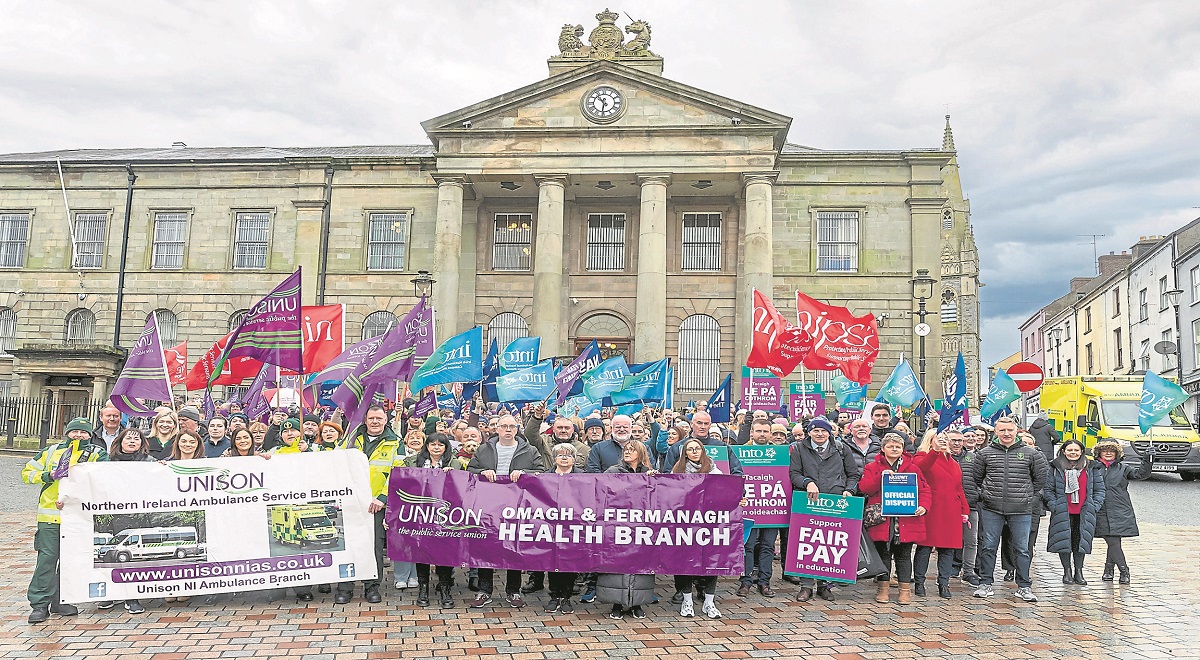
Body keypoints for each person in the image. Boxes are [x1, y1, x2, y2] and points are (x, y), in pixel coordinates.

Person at [22, 417, 107, 623]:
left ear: (90, 434)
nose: (79, 435)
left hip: (79, 517)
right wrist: (48, 475)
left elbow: (104, 479)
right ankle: (40, 604)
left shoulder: (98, 454)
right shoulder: (50, 451)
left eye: (83, 432)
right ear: (67, 432)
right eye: (74, 431)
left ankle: (61, 600)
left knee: (71, 561)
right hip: (50, 517)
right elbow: (27, 473)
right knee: (47, 560)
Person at [466, 414, 545, 608]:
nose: (508, 430)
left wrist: (525, 474)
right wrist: (481, 473)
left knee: (513, 546)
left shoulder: (530, 450)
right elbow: (470, 471)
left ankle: (513, 590)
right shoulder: (484, 450)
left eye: (511, 426)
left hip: (517, 505)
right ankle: (484, 590)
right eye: (504, 426)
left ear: (517, 429)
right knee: (486, 546)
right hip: (488, 505)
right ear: (497, 429)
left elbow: (541, 472)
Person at [970, 416, 1049, 603]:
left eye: (1010, 430)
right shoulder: (985, 454)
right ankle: (985, 583)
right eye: (1002, 430)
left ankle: (1024, 586)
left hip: (1021, 509)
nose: (1006, 434)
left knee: (1022, 549)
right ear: (996, 432)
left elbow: (1040, 479)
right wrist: (987, 494)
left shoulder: (1031, 454)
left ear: (1016, 431)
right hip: (992, 508)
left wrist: (1027, 495)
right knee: (988, 547)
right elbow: (977, 478)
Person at [334, 405, 399, 604]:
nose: (375, 422)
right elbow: (335, 466)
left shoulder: (396, 443)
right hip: (350, 503)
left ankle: (372, 587)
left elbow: (397, 473)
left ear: (386, 420)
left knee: (375, 548)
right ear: (365, 419)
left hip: (375, 505)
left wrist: (382, 498)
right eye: (371, 418)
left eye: (379, 418)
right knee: (348, 546)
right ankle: (345, 588)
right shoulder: (351, 439)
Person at [789, 418, 858, 602]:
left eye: (824, 431)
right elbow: (794, 474)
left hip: (835, 502)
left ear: (830, 432)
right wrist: (807, 482)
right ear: (809, 432)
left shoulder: (842, 449)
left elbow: (853, 474)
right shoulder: (799, 449)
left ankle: (824, 585)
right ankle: (806, 586)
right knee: (807, 543)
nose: (820, 434)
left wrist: (849, 490)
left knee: (829, 543)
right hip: (808, 501)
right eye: (815, 430)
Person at [858, 432, 929, 604]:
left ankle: (905, 591)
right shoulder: (872, 467)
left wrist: (924, 506)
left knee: (904, 556)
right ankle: (883, 589)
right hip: (883, 520)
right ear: (883, 449)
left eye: (898, 446)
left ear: (903, 449)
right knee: (884, 554)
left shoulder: (913, 468)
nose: (894, 449)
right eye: (890, 446)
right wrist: (880, 478)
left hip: (906, 519)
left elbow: (925, 490)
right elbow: (864, 488)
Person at [599, 442, 657, 620]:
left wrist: (653, 480)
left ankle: (637, 603)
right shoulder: (612, 471)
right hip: (617, 524)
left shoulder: (649, 472)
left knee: (640, 565)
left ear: (640, 453)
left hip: (641, 526)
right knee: (616, 565)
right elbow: (601, 491)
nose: (628, 452)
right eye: (626, 450)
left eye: (632, 450)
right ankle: (616, 603)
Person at [398, 432, 457, 608]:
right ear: (427, 446)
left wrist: (453, 474)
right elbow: (402, 482)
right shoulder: (413, 461)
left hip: (445, 516)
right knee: (421, 552)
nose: (436, 447)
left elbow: (466, 485)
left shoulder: (454, 463)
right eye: (433, 444)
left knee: (444, 555)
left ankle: (445, 589)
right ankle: (423, 589)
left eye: (440, 445)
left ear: (446, 448)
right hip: (420, 515)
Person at [670, 438, 725, 619]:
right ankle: (687, 600)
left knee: (711, 560)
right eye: (690, 449)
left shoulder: (714, 470)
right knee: (686, 561)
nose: (694, 451)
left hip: (709, 522)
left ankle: (709, 601)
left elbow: (727, 491)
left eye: (697, 448)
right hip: (685, 522)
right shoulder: (677, 471)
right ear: (685, 453)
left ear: (703, 451)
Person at [104, 428, 156, 613]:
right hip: (114, 514)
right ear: (120, 441)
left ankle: (131, 597)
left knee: (131, 558)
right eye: (129, 438)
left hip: (139, 515)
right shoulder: (106, 462)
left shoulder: (150, 463)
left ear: (142, 443)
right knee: (113, 555)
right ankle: (110, 594)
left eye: (137, 439)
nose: (133, 441)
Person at [912, 430, 969, 598]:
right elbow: (920, 469)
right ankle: (919, 582)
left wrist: (964, 509)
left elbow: (958, 487)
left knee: (948, 549)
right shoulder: (922, 456)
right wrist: (935, 451)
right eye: (940, 438)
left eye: (946, 439)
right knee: (925, 547)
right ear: (931, 440)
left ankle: (944, 583)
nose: (944, 441)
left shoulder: (952, 461)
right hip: (932, 508)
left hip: (951, 509)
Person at [1045, 439, 1106, 586]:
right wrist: (1054, 505)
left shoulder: (1091, 467)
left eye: (1076, 450)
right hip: (1062, 510)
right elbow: (1048, 489)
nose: (1073, 453)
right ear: (1064, 451)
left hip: (1084, 511)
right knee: (1064, 541)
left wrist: (1094, 505)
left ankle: (1079, 571)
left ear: (1081, 452)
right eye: (1070, 450)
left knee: (1080, 542)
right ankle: (1067, 571)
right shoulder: (1055, 467)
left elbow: (1099, 489)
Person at [1092, 440, 1151, 584]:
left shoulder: (1123, 468)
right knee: (1112, 541)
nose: (1108, 453)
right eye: (1105, 450)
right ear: (1098, 453)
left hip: (1120, 509)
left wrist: (1148, 460)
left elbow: (1140, 475)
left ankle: (1113, 570)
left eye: (1111, 451)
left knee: (1114, 541)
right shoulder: (1092, 468)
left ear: (1117, 453)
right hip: (1100, 509)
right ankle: (1121, 570)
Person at [738, 419, 778, 598]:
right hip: (749, 508)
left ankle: (764, 582)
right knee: (747, 546)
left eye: (765, 431)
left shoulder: (780, 453)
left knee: (768, 546)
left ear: (770, 433)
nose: (762, 434)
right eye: (759, 431)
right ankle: (745, 582)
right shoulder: (740, 452)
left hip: (772, 509)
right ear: (751, 433)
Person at [543, 443, 583, 614]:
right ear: (554, 458)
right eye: (560, 455)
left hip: (573, 525)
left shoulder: (584, 476)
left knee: (569, 562)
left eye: (568, 455)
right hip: (551, 525)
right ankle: (554, 596)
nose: (564, 457)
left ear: (574, 458)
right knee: (552, 562)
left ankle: (566, 597)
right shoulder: (545, 476)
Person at [949, 429, 982, 586]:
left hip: (970, 504)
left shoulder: (973, 457)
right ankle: (947, 569)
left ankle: (968, 572)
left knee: (971, 541)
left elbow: (983, 478)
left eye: (959, 440)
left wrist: (978, 494)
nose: (956, 443)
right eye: (953, 440)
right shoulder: (942, 457)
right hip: (947, 506)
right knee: (948, 540)